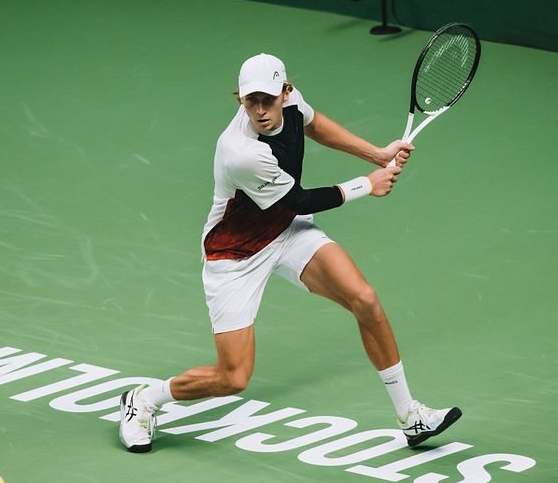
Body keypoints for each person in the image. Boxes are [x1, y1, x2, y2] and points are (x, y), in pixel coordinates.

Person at [119, 53, 461, 453]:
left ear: (286, 91)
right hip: (236, 256)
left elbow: (313, 123)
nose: (261, 111)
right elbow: (297, 200)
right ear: (239, 100)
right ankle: (144, 398)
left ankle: (411, 418)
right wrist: (368, 184)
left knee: (365, 300)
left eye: (269, 99)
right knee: (234, 378)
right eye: (251, 102)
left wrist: (376, 154)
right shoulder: (241, 151)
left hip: (286, 233)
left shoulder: (292, 102)